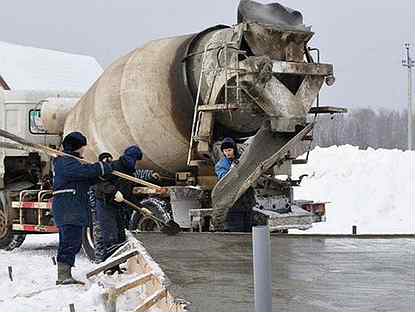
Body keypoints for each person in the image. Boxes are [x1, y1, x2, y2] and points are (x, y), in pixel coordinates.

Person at [52, 132, 112, 285]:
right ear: (78, 147)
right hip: (68, 209)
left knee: (72, 241)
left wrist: (103, 170)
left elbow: (86, 177)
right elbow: (83, 172)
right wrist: (100, 167)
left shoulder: (72, 162)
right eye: (83, 146)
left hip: (72, 209)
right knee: (69, 242)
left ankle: (65, 274)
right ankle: (63, 276)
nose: (85, 149)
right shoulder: (65, 162)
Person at [94, 146, 159, 264]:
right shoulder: (112, 167)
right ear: (127, 157)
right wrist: (113, 191)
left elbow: (128, 196)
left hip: (118, 206)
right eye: (133, 159)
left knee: (120, 236)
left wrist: (140, 208)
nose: (134, 163)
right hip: (105, 204)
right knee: (109, 236)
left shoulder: (130, 173)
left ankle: (117, 265)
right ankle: (106, 265)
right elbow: (99, 183)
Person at [215, 137, 257, 232]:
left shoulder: (242, 160)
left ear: (234, 149)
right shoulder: (221, 165)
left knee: (249, 231)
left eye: (229, 150)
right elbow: (224, 178)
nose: (227, 153)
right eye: (225, 151)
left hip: (247, 203)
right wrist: (233, 169)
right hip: (233, 205)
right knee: (236, 231)